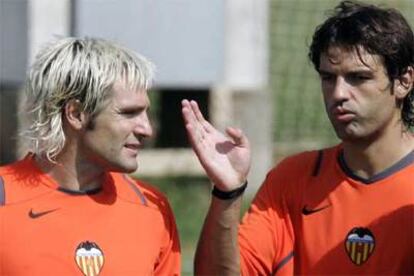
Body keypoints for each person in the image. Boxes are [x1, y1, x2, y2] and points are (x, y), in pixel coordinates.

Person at [182, 0, 414, 274]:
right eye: (328, 78)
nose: (339, 94)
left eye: (358, 78)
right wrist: (227, 193)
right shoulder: (292, 180)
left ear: (403, 82)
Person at [0, 37, 180, 275]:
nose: (146, 129)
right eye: (128, 113)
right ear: (76, 114)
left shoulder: (152, 207)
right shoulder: (5, 199)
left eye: (145, 112)